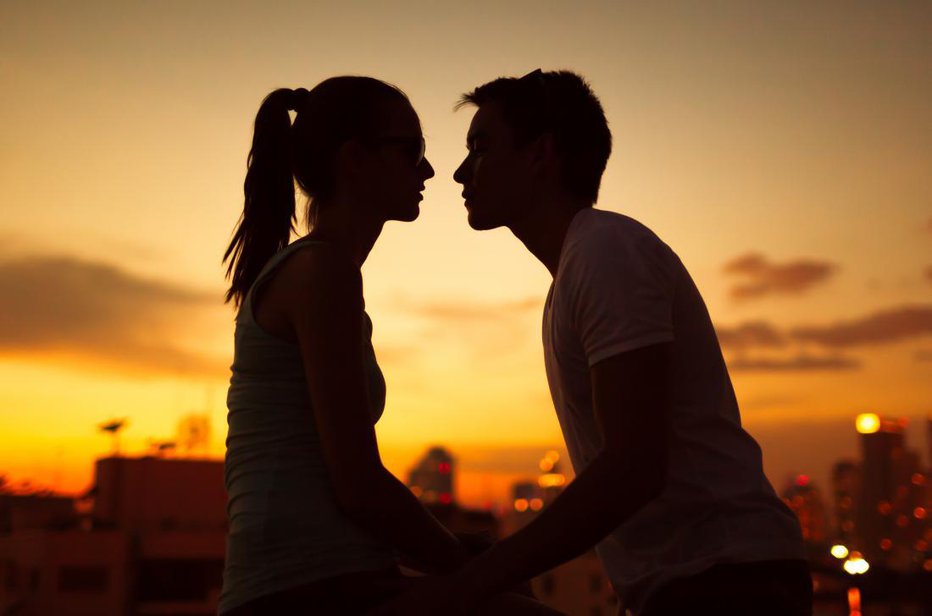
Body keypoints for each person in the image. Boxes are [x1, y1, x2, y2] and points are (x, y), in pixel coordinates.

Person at [373, 70, 812, 616]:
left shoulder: (607, 252)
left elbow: (633, 467)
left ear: (542, 154)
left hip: (727, 584)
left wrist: (469, 585)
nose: (461, 172)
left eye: (480, 148)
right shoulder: (575, 274)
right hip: (688, 585)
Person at [218, 77, 563, 616]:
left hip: (334, 579)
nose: (428, 170)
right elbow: (357, 485)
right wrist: (474, 567)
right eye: (412, 151)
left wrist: (470, 561)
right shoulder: (322, 271)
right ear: (354, 158)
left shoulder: (322, 271)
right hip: (303, 591)